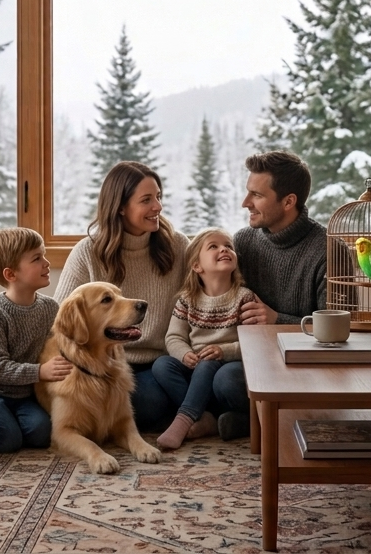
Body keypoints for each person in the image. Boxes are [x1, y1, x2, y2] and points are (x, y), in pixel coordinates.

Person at [54, 161, 189, 433]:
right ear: (120, 207)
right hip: (105, 365)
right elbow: (59, 319)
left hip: (162, 363)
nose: (158, 207)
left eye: (159, 197)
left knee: (149, 399)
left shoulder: (178, 245)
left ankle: (192, 416)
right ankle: (194, 416)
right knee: (142, 403)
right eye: (147, 200)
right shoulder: (87, 252)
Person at [209, 150, 329, 440]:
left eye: (256, 195)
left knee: (231, 382)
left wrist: (278, 320)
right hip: (253, 358)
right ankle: (264, 419)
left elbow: (341, 333)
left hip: (306, 364)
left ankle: (251, 422)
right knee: (222, 378)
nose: (245, 203)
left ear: (288, 201)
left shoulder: (329, 250)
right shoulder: (244, 241)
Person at [0, 227, 73, 453]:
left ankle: (11, 426)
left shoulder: (49, 308)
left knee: (42, 433)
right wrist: (40, 372)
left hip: (24, 394)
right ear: (11, 274)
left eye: (43, 255)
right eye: (37, 258)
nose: (46, 262)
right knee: (6, 440)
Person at [151, 228, 257, 450]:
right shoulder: (187, 300)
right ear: (197, 266)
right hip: (196, 367)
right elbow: (174, 337)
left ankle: (184, 419)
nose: (224, 249)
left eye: (228, 246)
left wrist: (224, 351)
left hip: (229, 368)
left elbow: (255, 342)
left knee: (214, 367)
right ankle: (205, 417)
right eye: (213, 246)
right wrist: (184, 354)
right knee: (162, 365)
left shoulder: (244, 297)